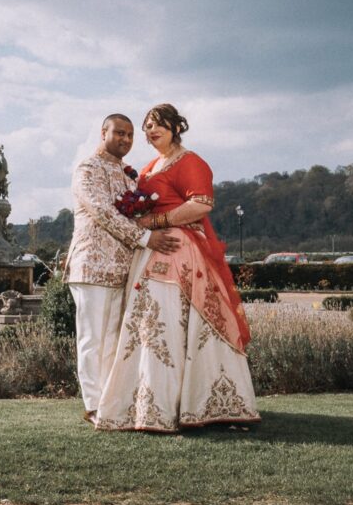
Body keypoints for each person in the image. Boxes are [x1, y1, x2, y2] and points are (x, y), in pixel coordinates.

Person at [94, 103, 260, 432]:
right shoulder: (149, 167)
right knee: (150, 327)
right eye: (148, 127)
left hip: (180, 250)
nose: (151, 131)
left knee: (176, 324)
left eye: (159, 125)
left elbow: (201, 204)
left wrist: (157, 221)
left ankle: (199, 406)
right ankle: (148, 408)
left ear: (176, 128)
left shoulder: (191, 161)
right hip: (152, 250)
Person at [66, 114, 182, 424]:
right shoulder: (88, 169)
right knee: (91, 339)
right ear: (103, 132)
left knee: (113, 341)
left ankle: (110, 402)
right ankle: (92, 405)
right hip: (91, 266)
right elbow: (102, 212)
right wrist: (146, 238)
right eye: (119, 133)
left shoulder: (129, 175)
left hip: (123, 270)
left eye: (130, 135)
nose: (125, 140)